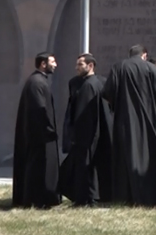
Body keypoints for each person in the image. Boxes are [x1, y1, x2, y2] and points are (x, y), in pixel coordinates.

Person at [103, 45, 156, 207]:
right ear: (145, 55)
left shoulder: (118, 67)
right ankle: (148, 195)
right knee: (148, 156)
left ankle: (125, 196)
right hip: (147, 120)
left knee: (125, 158)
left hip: (124, 120)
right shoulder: (151, 68)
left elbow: (107, 92)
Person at [60, 53, 113, 206]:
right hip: (96, 134)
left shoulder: (88, 86)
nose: (76, 68)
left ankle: (87, 198)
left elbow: (83, 115)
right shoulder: (97, 83)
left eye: (80, 65)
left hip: (87, 136)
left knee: (85, 168)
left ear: (90, 66)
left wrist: (77, 135)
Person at [12, 52, 62, 209]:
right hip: (39, 136)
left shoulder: (38, 81)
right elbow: (40, 109)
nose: (55, 65)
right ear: (43, 64)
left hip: (39, 135)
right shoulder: (37, 83)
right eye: (52, 62)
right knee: (37, 167)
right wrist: (49, 129)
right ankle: (37, 199)